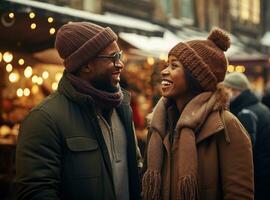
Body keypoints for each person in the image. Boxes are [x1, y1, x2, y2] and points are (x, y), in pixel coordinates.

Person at [16, 22, 142, 200]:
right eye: (113, 57)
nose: (120, 64)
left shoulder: (122, 108)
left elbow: (135, 169)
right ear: (86, 66)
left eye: (119, 56)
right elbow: (36, 192)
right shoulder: (44, 118)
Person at [141, 28, 254, 200]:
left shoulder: (226, 126)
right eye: (167, 64)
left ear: (195, 77)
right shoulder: (159, 124)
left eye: (174, 66)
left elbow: (239, 194)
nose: (164, 71)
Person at [223, 72, 270, 200]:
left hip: (258, 180)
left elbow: (244, 154)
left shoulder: (246, 113)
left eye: (225, 90)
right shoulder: (260, 108)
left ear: (233, 90)